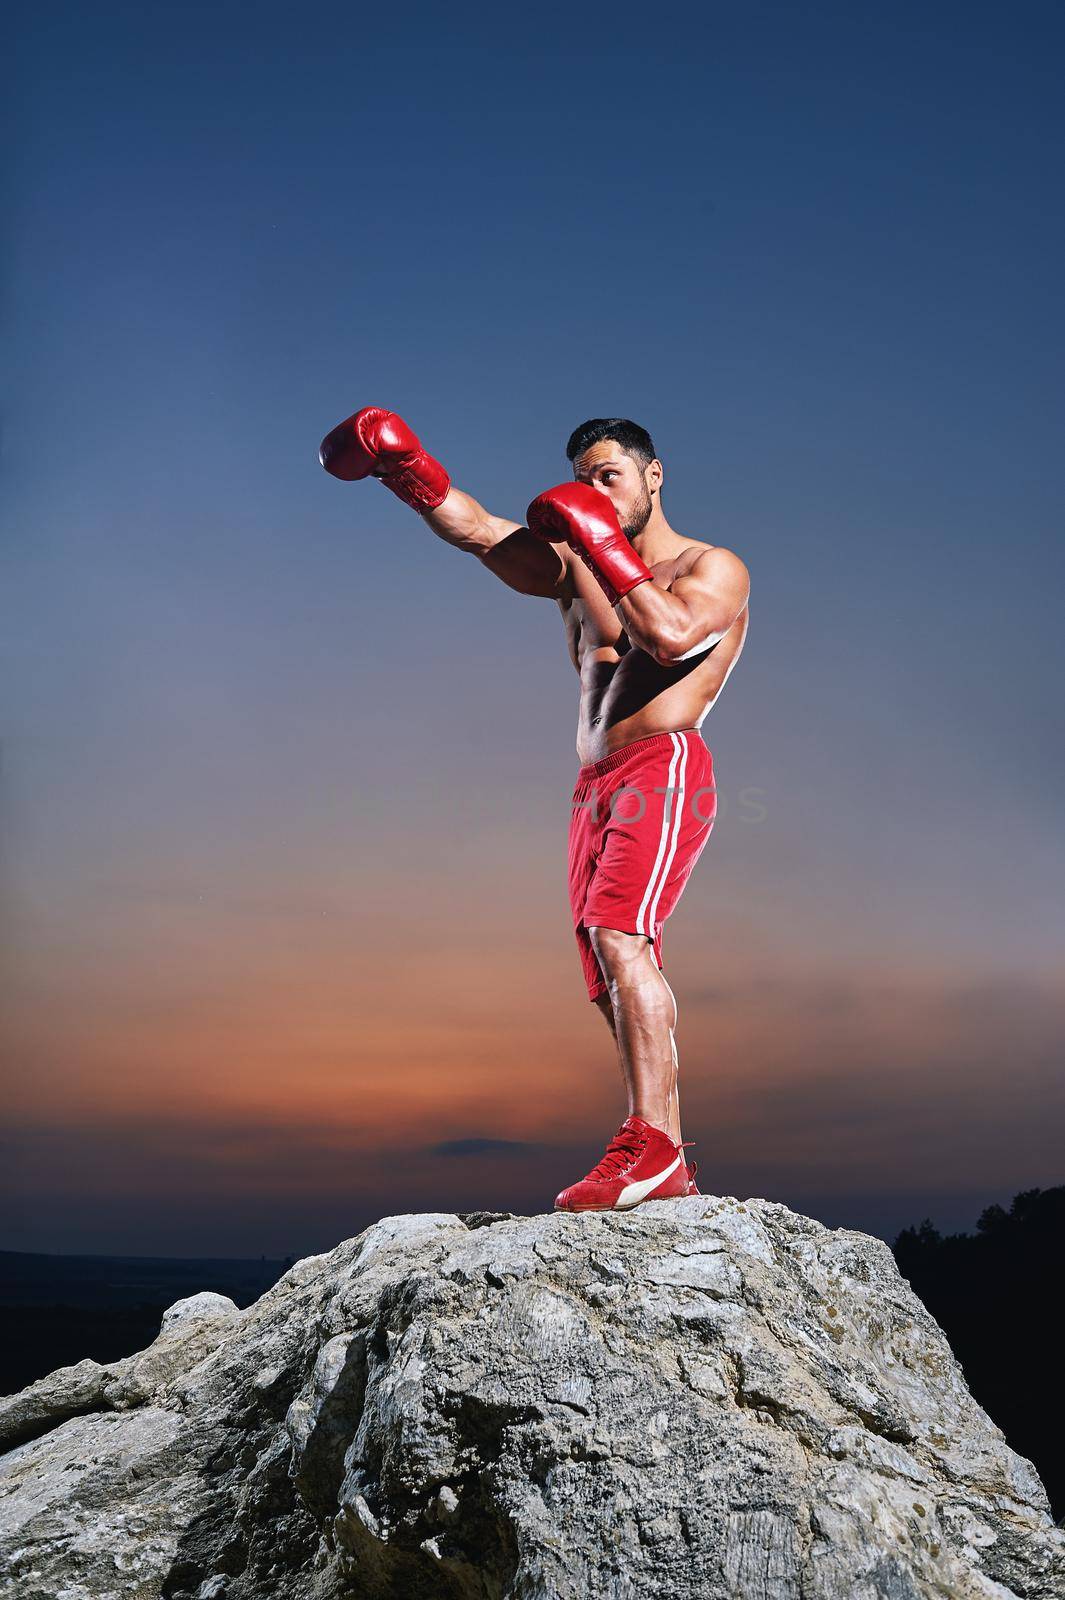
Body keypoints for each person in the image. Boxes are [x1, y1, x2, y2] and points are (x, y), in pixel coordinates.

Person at [320, 407, 750, 1212]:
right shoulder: (573, 567)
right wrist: (401, 468)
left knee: (623, 934)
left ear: (652, 476)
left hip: (663, 764)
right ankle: (665, 1162)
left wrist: (598, 540)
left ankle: (652, 1146)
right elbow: (482, 531)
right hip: (593, 784)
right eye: (584, 480)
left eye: (609, 475)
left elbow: (670, 637)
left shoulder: (712, 565)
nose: (594, 490)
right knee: (605, 967)